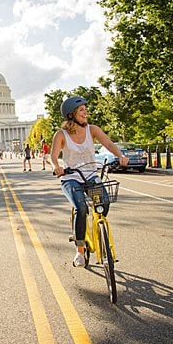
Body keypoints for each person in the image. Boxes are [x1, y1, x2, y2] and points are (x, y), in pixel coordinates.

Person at [51, 96, 129, 267]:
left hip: (90, 176)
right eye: (81, 110)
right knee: (81, 207)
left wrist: (120, 155)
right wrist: (57, 166)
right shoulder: (61, 135)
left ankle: (97, 228)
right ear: (71, 115)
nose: (85, 112)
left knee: (104, 202)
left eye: (86, 108)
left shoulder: (92, 130)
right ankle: (79, 251)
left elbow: (108, 143)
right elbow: (54, 156)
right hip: (71, 178)